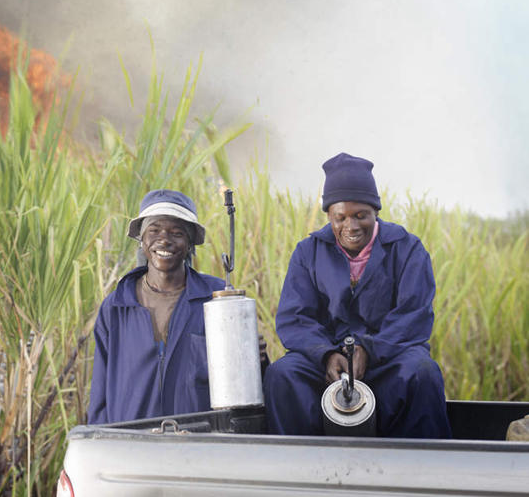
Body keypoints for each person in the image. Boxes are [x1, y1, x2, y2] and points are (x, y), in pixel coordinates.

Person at [263, 153, 452, 438]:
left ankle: (421, 462)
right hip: (328, 363)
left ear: (376, 211)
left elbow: (413, 314)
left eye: (360, 215)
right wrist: (326, 355)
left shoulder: (407, 248)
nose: (350, 226)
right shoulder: (308, 252)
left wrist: (370, 350)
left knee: (422, 371)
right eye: (340, 217)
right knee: (283, 374)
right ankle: (298, 461)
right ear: (329, 215)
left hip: (389, 358)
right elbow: (295, 318)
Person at [87, 189, 266, 424]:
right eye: (154, 230)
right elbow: (100, 391)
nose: (164, 239)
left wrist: (257, 358)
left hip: (201, 437)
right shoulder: (117, 306)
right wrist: (100, 438)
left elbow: (247, 385)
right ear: (141, 239)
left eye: (177, 233)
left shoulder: (217, 300)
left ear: (190, 243)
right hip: (132, 438)